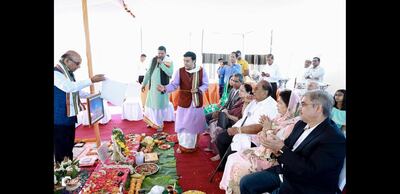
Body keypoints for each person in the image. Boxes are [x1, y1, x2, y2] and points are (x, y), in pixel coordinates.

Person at [240, 90, 346, 194]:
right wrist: (274, 146)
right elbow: (287, 147)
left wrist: (280, 148)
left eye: (303, 104)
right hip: (287, 171)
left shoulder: (333, 138)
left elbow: (310, 171)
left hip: (306, 185)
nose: (299, 108)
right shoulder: (301, 124)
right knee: (246, 183)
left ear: (318, 108)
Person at [220, 90, 301, 193]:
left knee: (238, 166)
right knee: (232, 157)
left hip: (272, 158)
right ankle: (230, 189)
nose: (277, 105)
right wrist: (265, 129)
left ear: (290, 106)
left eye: (280, 103)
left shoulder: (292, 125)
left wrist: (267, 129)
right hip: (262, 150)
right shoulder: (279, 118)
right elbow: (261, 137)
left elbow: (274, 145)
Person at [54, 50, 105, 163]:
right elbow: (70, 88)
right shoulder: (56, 73)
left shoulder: (68, 74)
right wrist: (91, 80)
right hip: (58, 118)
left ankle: (70, 168)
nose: (79, 66)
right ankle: (62, 174)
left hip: (69, 116)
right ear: (67, 60)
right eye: (77, 63)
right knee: (61, 148)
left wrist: (92, 95)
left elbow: (77, 91)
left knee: (69, 145)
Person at [215, 80, 278, 169]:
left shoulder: (271, 106)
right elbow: (244, 115)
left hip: (253, 137)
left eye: (256, 89)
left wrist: (238, 130)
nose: (253, 91)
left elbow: (260, 127)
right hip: (241, 129)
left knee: (232, 154)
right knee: (221, 138)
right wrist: (246, 102)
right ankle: (225, 165)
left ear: (265, 92)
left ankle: (231, 169)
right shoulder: (255, 100)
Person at [157, 51, 209, 153]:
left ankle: (191, 146)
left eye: (188, 61)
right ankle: (182, 146)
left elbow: (206, 85)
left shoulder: (202, 71)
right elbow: (174, 85)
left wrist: (198, 89)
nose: (185, 63)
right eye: (184, 61)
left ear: (194, 61)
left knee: (193, 126)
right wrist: (164, 88)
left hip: (195, 103)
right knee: (182, 125)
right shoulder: (180, 71)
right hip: (183, 102)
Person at [141, 46, 174, 131]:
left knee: (158, 106)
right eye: (159, 53)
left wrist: (162, 64)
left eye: (162, 53)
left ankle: (159, 124)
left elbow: (170, 73)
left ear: (165, 53)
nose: (160, 55)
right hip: (152, 88)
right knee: (150, 105)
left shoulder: (169, 62)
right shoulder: (153, 60)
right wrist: (144, 84)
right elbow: (148, 72)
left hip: (161, 88)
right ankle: (151, 122)